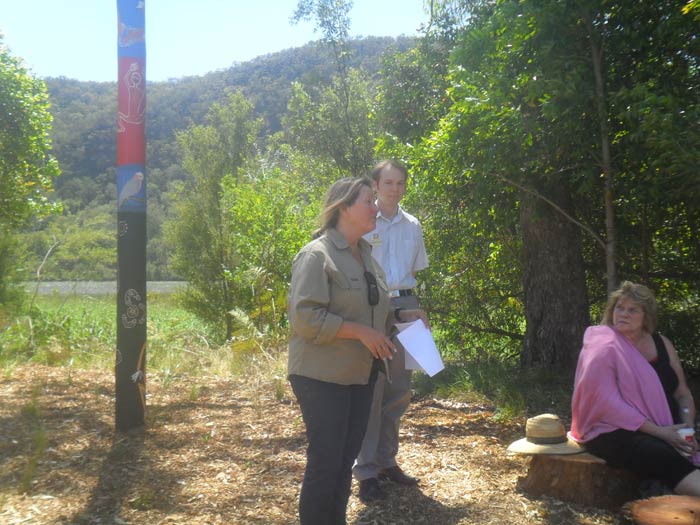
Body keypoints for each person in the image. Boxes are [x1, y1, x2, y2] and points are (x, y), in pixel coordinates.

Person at [288, 176, 429, 525]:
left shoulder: (366, 255)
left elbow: (373, 310)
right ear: (343, 209)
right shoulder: (316, 255)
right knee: (326, 461)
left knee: (345, 457)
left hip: (361, 374)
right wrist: (359, 332)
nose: (375, 207)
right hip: (322, 376)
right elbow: (304, 318)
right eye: (368, 201)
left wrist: (401, 315)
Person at [569, 281, 700, 496]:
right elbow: (606, 403)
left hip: (669, 427)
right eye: (620, 308)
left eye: (633, 310)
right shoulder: (603, 343)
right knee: (662, 455)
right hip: (613, 430)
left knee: (679, 452)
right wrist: (662, 433)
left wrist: (686, 429)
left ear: (646, 315)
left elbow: (682, 392)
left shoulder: (662, 343)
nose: (624, 314)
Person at [353, 159, 429, 503]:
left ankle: (387, 461)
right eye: (388, 183)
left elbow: (413, 271)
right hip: (373, 306)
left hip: (407, 303)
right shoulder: (364, 221)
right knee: (373, 390)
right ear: (375, 186)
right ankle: (366, 471)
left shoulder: (413, 225)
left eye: (400, 183)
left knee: (399, 390)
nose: (394, 189)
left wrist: (410, 307)